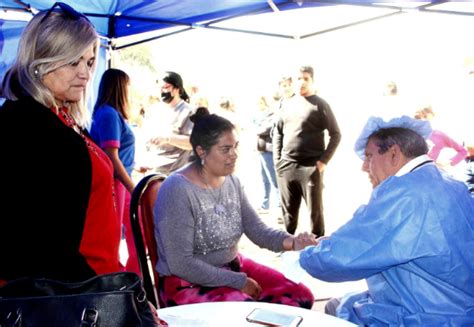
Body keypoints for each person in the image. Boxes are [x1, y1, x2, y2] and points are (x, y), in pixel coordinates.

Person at [298, 116, 474, 325]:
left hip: (428, 315)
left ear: (393, 154)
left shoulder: (403, 194)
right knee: (341, 303)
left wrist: (307, 252)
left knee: (336, 308)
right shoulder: (449, 182)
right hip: (458, 305)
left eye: (369, 156)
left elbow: (338, 260)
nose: (364, 167)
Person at [0, 2, 121, 283]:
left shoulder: (59, 116)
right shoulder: (27, 124)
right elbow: (41, 246)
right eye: (73, 61)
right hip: (68, 298)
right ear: (41, 62)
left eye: (89, 62)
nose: (86, 73)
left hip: (86, 291)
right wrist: (110, 294)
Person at [154, 108, 315, 308]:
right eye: (225, 149)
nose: (234, 155)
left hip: (231, 267)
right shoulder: (177, 189)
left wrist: (294, 242)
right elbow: (181, 263)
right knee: (246, 313)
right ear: (201, 151)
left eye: (235, 147)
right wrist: (238, 281)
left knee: (300, 297)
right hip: (186, 283)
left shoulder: (231, 181)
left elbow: (257, 230)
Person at [273, 65, 341, 236]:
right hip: (286, 167)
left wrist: (322, 162)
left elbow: (336, 134)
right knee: (288, 213)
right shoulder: (286, 104)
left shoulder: (320, 105)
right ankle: (287, 248)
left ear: (312, 81)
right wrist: (277, 161)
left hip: (311, 168)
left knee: (315, 213)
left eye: (306, 78)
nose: (301, 82)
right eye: (298, 78)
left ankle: (317, 250)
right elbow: (278, 134)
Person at [90, 68, 140, 274]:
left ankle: (132, 277)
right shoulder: (109, 113)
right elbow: (111, 156)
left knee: (133, 235)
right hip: (116, 184)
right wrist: (134, 188)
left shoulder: (109, 112)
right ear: (120, 87)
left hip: (120, 181)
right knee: (117, 237)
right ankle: (125, 279)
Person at [149, 71, 194, 175]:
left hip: (176, 175)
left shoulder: (189, 112)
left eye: (165, 87)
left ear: (177, 89)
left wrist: (167, 138)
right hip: (154, 171)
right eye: (159, 87)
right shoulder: (156, 110)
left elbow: (192, 142)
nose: (162, 91)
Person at [254, 95, 280, 213]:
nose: (259, 105)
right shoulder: (260, 115)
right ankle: (265, 205)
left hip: (269, 150)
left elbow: (266, 129)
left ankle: (280, 207)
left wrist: (257, 129)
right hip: (261, 150)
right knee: (264, 179)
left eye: (260, 102)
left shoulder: (273, 114)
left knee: (274, 179)